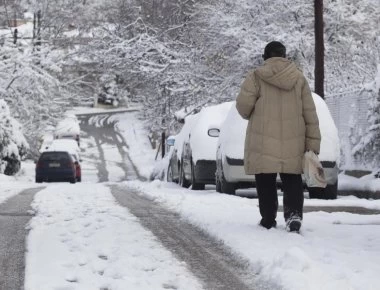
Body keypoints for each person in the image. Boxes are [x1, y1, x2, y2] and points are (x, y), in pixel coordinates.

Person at [236, 41, 321, 232]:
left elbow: (243, 108)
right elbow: (310, 114)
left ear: (265, 57)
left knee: (265, 178)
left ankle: (268, 218)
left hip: (263, 140)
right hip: (294, 140)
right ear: (285, 56)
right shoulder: (299, 79)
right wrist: (313, 144)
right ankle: (293, 216)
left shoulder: (256, 77)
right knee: (292, 178)